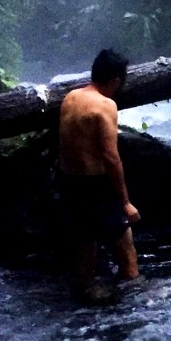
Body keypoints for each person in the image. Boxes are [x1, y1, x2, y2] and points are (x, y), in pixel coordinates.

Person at [58, 48, 142, 297]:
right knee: (126, 247)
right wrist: (125, 202)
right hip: (95, 187)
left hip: (69, 183)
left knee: (85, 246)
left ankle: (83, 295)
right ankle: (135, 296)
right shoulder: (105, 106)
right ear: (115, 80)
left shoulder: (70, 97)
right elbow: (110, 157)